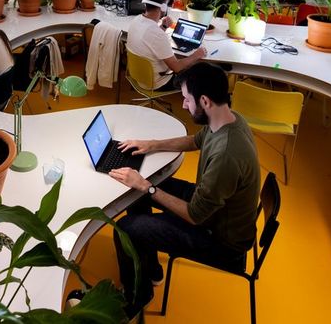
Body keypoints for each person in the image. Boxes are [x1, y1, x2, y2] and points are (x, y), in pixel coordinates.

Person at [110, 62, 261, 317]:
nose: (183, 105)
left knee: (125, 228)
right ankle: (151, 269)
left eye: (186, 99)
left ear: (204, 101)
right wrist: (151, 145)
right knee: (141, 188)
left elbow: (195, 215)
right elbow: (196, 140)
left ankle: (138, 296)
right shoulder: (228, 119)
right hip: (214, 208)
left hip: (221, 238)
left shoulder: (227, 154)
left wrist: (147, 187)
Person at [125, 0, 207, 90]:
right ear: (163, 8)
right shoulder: (157, 34)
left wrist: (163, 27)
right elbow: (176, 67)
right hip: (157, 82)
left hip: (139, 77)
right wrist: (196, 55)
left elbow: (150, 38)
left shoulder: (136, 20)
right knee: (198, 70)